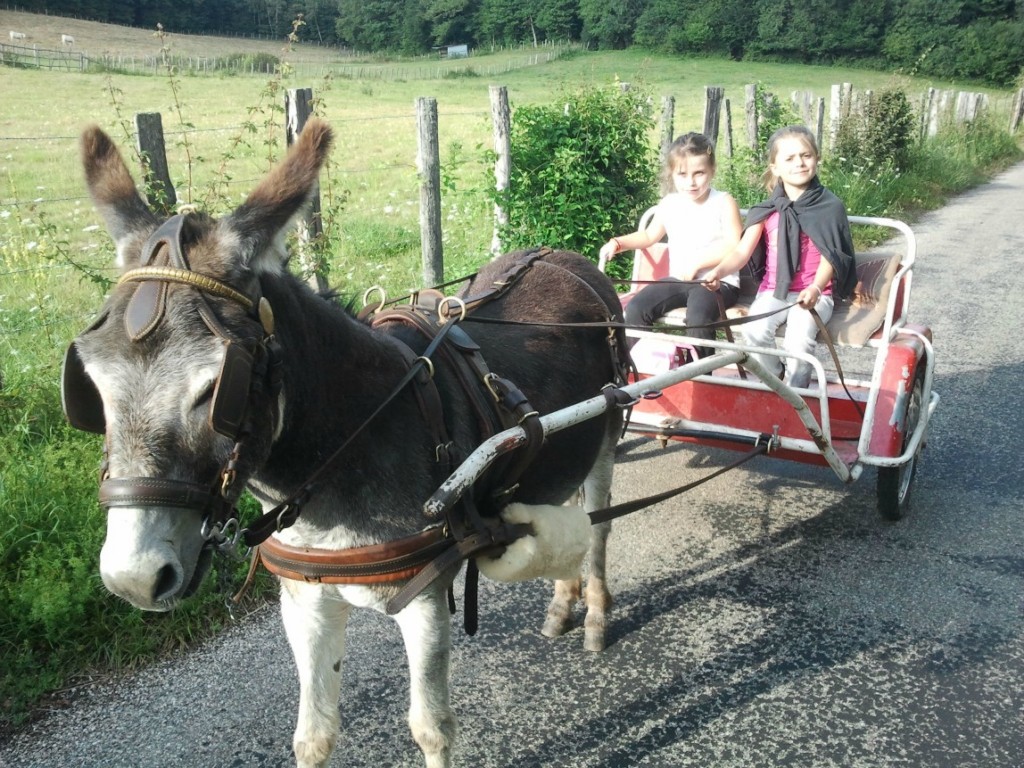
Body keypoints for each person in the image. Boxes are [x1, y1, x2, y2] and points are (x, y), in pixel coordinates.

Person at [704, 125, 856, 388]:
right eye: (789, 158)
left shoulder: (829, 207)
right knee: (753, 331)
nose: (799, 162)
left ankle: (798, 396)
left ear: (816, 158)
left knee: (798, 337)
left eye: (806, 155)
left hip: (814, 293)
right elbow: (742, 252)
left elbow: (831, 256)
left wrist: (817, 288)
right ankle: (775, 380)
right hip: (773, 291)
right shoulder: (766, 210)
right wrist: (718, 271)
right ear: (775, 167)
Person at [599, 132, 742, 359]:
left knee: (698, 315)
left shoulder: (723, 202)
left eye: (699, 173)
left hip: (717, 282)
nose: (691, 182)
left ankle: (701, 374)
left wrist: (698, 264)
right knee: (637, 308)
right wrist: (618, 243)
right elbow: (649, 235)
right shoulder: (670, 203)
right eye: (682, 174)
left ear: (712, 170)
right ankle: (635, 367)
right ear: (672, 174)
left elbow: (734, 244)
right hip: (679, 280)